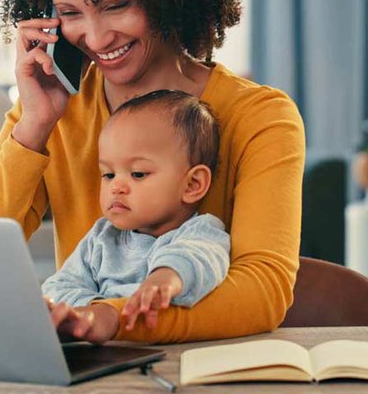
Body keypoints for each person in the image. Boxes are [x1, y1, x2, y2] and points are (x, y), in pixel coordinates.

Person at [0, 0, 305, 344]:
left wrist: (112, 320)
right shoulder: (53, 111)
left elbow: (263, 291)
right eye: (70, 12)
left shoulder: (260, 117)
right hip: (89, 368)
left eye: (116, 5)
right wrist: (35, 126)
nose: (96, 38)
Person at [42, 90, 230, 341]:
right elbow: (58, 286)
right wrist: (91, 313)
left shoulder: (201, 231)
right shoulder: (101, 237)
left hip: (168, 356)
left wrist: (166, 278)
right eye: (108, 174)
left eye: (138, 174)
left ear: (192, 185)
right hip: (106, 353)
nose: (116, 187)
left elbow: (198, 259)